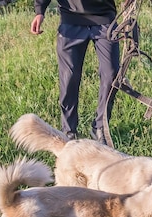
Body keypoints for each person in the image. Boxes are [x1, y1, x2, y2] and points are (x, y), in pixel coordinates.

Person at [30, 0, 121, 144]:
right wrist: (40, 11)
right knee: (68, 78)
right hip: (71, 19)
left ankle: (100, 128)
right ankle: (69, 132)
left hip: (105, 19)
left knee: (112, 74)